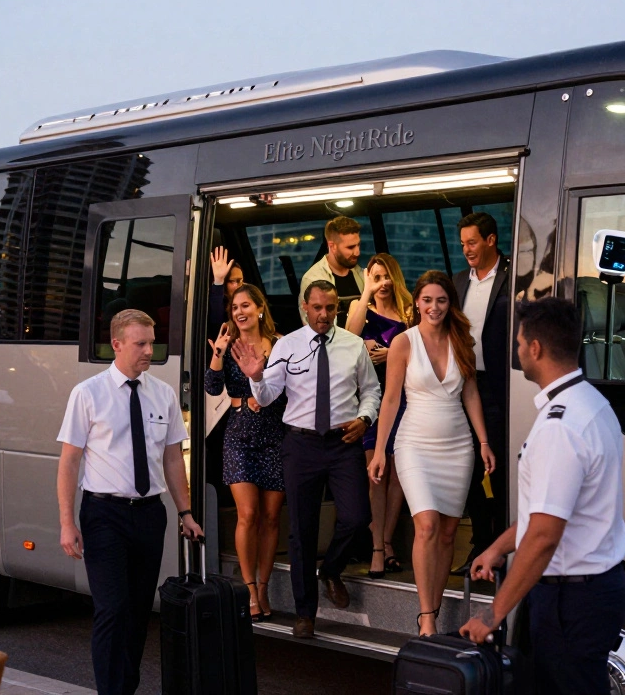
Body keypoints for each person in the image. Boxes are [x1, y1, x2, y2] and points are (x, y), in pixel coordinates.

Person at [460, 297, 625, 695]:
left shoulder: (560, 426)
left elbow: (544, 535)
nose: (517, 349)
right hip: (592, 592)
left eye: (519, 342)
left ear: (535, 348)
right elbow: (548, 511)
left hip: (571, 601)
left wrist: (493, 614)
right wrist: (498, 547)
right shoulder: (591, 403)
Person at [56, 309, 203, 695]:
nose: (149, 351)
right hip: (104, 514)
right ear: (117, 345)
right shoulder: (88, 394)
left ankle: (126, 688)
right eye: (140, 344)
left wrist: (185, 511)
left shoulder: (164, 394)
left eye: (152, 343)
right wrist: (67, 522)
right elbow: (70, 461)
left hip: (151, 516)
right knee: (112, 609)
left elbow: (173, 459)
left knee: (139, 613)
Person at [232, 280, 381, 639]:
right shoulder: (287, 345)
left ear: (337, 309)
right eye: (317, 308)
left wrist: (364, 419)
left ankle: (330, 569)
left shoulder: (353, 345)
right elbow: (267, 397)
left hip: (343, 442)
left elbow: (372, 391)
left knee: (358, 517)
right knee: (301, 531)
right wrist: (255, 378)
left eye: (330, 308)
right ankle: (305, 614)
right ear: (305, 307)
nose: (324, 315)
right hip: (300, 445)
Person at [369, 270, 495, 636]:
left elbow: (470, 393)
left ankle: (435, 605)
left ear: (450, 303)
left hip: (458, 445)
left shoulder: (462, 339)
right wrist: (380, 451)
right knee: (426, 525)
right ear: (416, 303)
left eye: (441, 300)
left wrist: (483, 441)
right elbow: (391, 399)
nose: (434, 307)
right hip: (414, 444)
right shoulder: (403, 343)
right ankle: (426, 617)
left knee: (447, 533)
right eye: (427, 300)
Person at [206, 284, 286, 622]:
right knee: (248, 514)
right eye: (235, 307)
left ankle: (264, 587)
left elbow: (293, 388)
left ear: (259, 309)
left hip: (275, 434)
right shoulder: (229, 345)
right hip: (239, 435)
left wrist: (265, 393)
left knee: (270, 518)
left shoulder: (281, 344)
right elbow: (212, 388)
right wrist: (218, 353)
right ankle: (249, 589)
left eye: (246, 306)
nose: (239, 312)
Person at [451, 211, 511, 573]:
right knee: (470, 468)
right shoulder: (458, 282)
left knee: (500, 467)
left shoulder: (513, 274)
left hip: (503, 389)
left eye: (472, 242)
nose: (466, 250)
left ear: (490, 240)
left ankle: (503, 545)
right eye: (462, 245)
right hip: (465, 386)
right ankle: (480, 544)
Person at [345, 253, 412, 577]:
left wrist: (394, 352)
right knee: (377, 474)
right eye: (376, 277)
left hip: (404, 399)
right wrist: (366, 292)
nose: (383, 282)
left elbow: (421, 349)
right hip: (372, 399)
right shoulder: (362, 309)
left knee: (399, 475)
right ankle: (377, 548)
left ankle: (385, 542)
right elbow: (348, 334)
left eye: (387, 276)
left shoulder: (408, 310)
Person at [298, 216, 365, 326]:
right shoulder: (313, 279)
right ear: (332, 246)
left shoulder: (361, 274)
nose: (357, 252)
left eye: (358, 245)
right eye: (350, 247)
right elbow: (314, 326)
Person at [207, 245, 244, 339]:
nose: (237, 285)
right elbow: (217, 323)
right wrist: (218, 281)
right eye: (232, 281)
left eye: (239, 281)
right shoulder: (217, 302)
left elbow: (261, 314)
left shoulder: (247, 295)